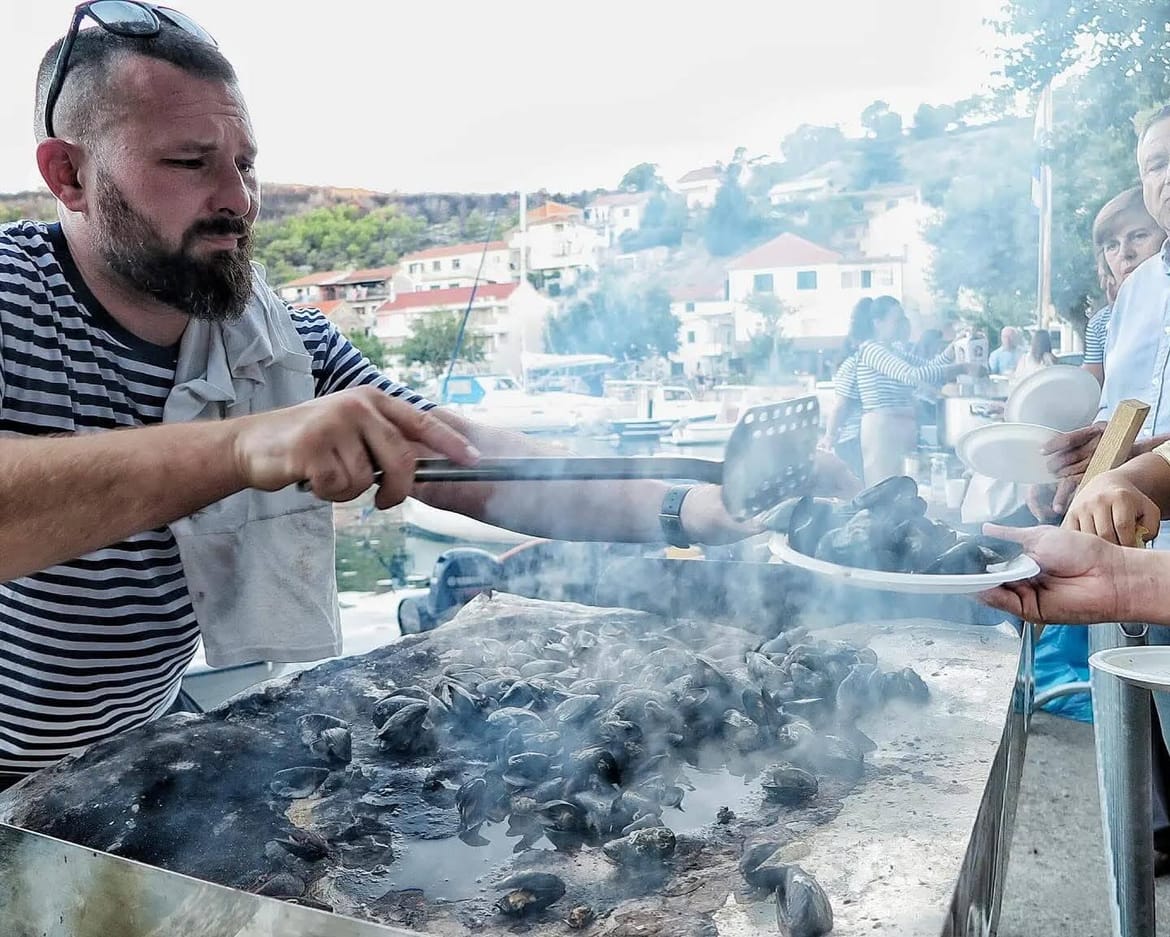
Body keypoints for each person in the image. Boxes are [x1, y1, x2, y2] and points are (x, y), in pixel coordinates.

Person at [0, 11, 858, 786]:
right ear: (68, 174)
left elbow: (467, 460)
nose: (238, 200)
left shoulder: (277, 339)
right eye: (190, 163)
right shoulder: (11, 295)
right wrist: (238, 449)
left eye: (245, 164)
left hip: (131, 748)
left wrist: (696, 506)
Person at [854, 296, 972, 485]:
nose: (903, 325)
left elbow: (929, 367)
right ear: (878, 323)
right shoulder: (872, 350)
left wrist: (953, 349)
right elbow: (913, 375)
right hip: (882, 430)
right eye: (897, 320)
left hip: (899, 427)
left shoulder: (894, 350)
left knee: (902, 487)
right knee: (883, 487)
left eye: (903, 319)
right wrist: (961, 368)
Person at [1083, 188, 1165, 386]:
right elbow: (1090, 391)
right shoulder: (1101, 324)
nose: (1125, 253)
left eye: (1138, 236)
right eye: (1112, 245)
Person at [820, 298, 870, 480]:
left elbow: (840, 406)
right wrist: (830, 436)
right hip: (853, 441)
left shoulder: (860, 362)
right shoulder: (856, 364)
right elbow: (841, 406)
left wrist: (829, 436)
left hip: (856, 439)